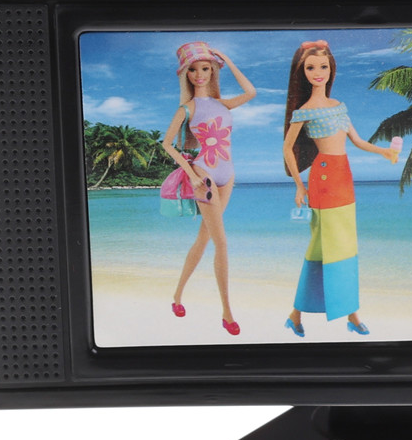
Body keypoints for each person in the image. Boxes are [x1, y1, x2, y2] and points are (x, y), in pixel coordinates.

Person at [282, 40, 398, 337]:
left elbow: (357, 141)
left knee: (338, 245)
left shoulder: (339, 107)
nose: (318, 72)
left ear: (331, 69)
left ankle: (298, 315)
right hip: (322, 178)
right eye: (311, 68)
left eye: (323, 66)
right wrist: (298, 186)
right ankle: (351, 315)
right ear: (303, 72)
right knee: (331, 244)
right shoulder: (304, 111)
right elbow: (287, 149)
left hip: (344, 177)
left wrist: (384, 151)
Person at [162, 41, 256, 335]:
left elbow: (251, 92)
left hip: (228, 174)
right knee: (221, 242)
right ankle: (227, 312)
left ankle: (177, 296)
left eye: (206, 68)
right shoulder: (187, 108)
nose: (200, 74)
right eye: (194, 69)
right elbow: (167, 144)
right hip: (204, 174)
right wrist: (191, 174)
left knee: (204, 239)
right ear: (186, 75)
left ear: (213, 70)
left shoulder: (222, 103)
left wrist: (226, 58)